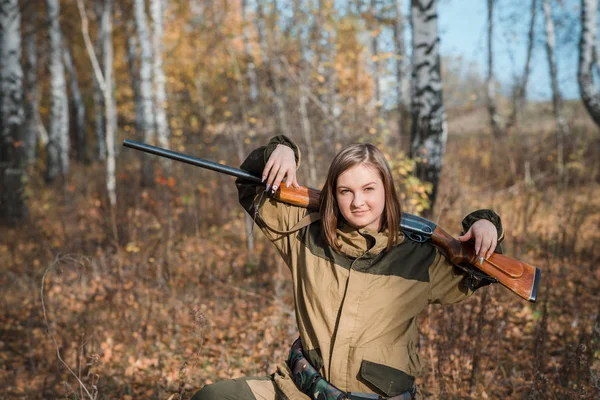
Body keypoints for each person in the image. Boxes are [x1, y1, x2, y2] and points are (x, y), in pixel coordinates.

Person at [192, 135, 503, 400]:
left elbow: (484, 270)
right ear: (334, 194)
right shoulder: (303, 233)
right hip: (301, 391)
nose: (358, 202)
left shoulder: (421, 257)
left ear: (387, 191)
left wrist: (486, 223)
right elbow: (250, 187)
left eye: (369, 189)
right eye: (346, 191)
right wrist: (282, 149)